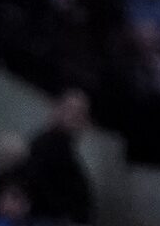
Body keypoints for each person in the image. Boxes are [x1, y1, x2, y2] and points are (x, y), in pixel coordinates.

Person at [24, 89, 92, 225]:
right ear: (56, 109)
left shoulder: (70, 162)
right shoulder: (40, 147)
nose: (72, 116)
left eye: (79, 113)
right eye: (68, 109)